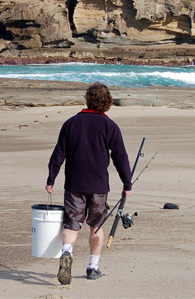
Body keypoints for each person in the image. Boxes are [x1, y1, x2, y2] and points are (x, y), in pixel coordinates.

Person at [45, 82, 132, 285]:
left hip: (74, 183)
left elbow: (58, 154)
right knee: (96, 226)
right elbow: (121, 157)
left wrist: (51, 178)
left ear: (87, 99)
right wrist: (127, 183)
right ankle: (93, 267)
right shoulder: (110, 126)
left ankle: (67, 253)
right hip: (98, 185)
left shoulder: (71, 123)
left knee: (72, 224)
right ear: (108, 102)